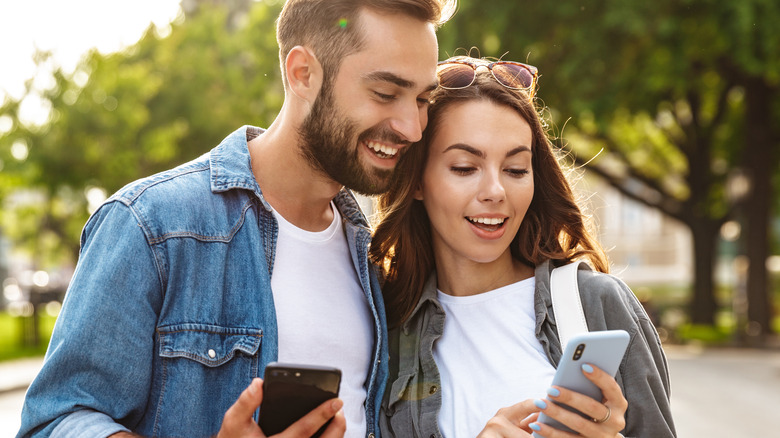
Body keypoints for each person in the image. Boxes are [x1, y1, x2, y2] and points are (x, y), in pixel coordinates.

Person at [17, 1, 456, 437]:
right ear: (303, 73)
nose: (412, 128)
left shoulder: (374, 254)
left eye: (421, 100)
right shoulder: (152, 225)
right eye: (385, 94)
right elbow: (56, 421)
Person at [370, 55, 676, 437]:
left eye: (516, 169)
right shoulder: (384, 327)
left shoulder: (596, 304)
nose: (496, 192)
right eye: (465, 167)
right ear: (416, 182)